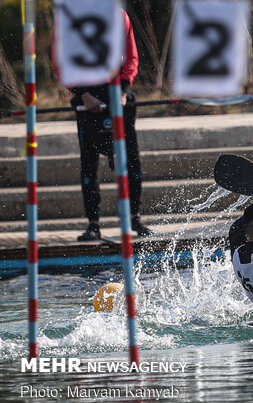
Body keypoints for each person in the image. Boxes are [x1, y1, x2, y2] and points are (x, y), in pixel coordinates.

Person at [53, 9, 152, 241]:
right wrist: (82, 94)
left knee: (131, 160)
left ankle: (134, 218)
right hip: (85, 96)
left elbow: (131, 57)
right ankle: (93, 223)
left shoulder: (120, 15)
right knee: (89, 163)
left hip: (117, 93)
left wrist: (124, 90)